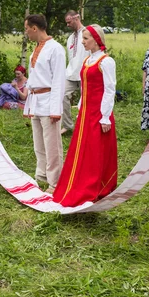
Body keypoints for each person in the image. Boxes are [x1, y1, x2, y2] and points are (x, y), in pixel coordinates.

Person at [53, 24, 117, 207]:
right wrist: (81, 105)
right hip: (86, 112)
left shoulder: (106, 61)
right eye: (83, 38)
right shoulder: (87, 60)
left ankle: (96, 185)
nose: (83, 41)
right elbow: (85, 86)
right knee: (83, 148)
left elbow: (109, 89)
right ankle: (78, 181)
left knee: (96, 150)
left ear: (97, 39)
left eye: (86, 38)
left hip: (98, 113)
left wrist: (105, 116)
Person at [23, 14, 66, 194]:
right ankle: (41, 176)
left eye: (26, 29)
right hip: (36, 100)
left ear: (34, 28)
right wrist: (28, 104)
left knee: (52, 144)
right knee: (38, 143)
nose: (26, 33)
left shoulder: (55, 49)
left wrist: (56, 109)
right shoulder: (36, 49)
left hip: (49, 101)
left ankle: (55, 182)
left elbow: (58, 81)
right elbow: (33, 78)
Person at [61, 10, 89, 135]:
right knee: (62, 96)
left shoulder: (88, 33)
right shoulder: (70, 38)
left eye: (69, 22)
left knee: (86, 101)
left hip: (86, 72)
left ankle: (83, 125)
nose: (67, 25)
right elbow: (71, 58)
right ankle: (67, 125)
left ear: (76, 18)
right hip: (71, 73)